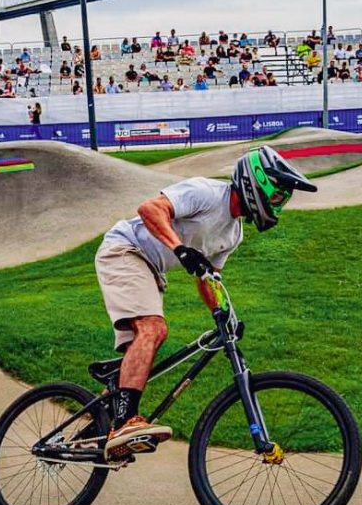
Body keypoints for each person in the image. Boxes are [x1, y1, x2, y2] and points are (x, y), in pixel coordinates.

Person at [94, 146, 318, 459]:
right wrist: (179, 248)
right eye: (279, 196)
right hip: (125, 250)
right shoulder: (207, 193)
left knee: (144, 346)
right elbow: (150, 209)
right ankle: (124, 424)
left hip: (152, 269)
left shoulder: (234, 233)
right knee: (153, 329)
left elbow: (208, 277)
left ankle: (99, 421)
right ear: (258, 182)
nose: (279, 204)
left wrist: (223, 313)